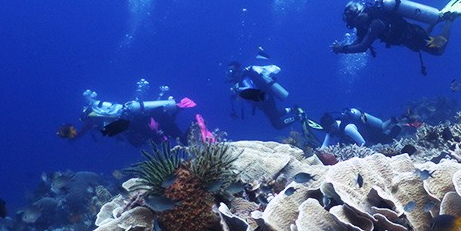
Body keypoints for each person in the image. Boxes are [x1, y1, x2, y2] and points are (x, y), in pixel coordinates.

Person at [330, 0, 461, 74]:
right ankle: (437, 20)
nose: (355, 26)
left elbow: (363, 47)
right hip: (408, 37)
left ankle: (450, 19)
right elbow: (358, 41)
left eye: (354, 22)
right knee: (421, 43)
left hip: (412, 35)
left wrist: (342, 50)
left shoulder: (375, 23)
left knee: (438, 50)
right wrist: (344, 46)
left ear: (357, 17)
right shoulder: (366, 24)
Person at [66, 79, 197, 147]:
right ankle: (178, 109)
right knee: (162, 126)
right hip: (135, 118)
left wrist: (73, 137)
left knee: (154, 135)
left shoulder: (92, 119)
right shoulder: (103, 117)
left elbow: (115, 129)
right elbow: (115, 129)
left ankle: (190, 120)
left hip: (131, 121)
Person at [227, 61, 308, 131]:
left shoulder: (244, 79)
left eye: (231, 71)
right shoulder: (246, 76)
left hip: (265, 99)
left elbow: (252, 90)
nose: (230, 74)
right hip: (266, 97)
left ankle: (299, 117)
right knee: (275, 114)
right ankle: (293, 109)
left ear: (237, 70)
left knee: (277, 125)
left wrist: (239, 91)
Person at [319, 108, 399, 149]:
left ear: (333, 125)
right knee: (382, 128)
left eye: (329, 130)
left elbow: (362, 143)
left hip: (369, 133)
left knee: (388, 139)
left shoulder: (347, 129)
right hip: (366, 134)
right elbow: (324, 146)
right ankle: (391, 121)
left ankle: (400, 124)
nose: (329, 133)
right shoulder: (331, 129)